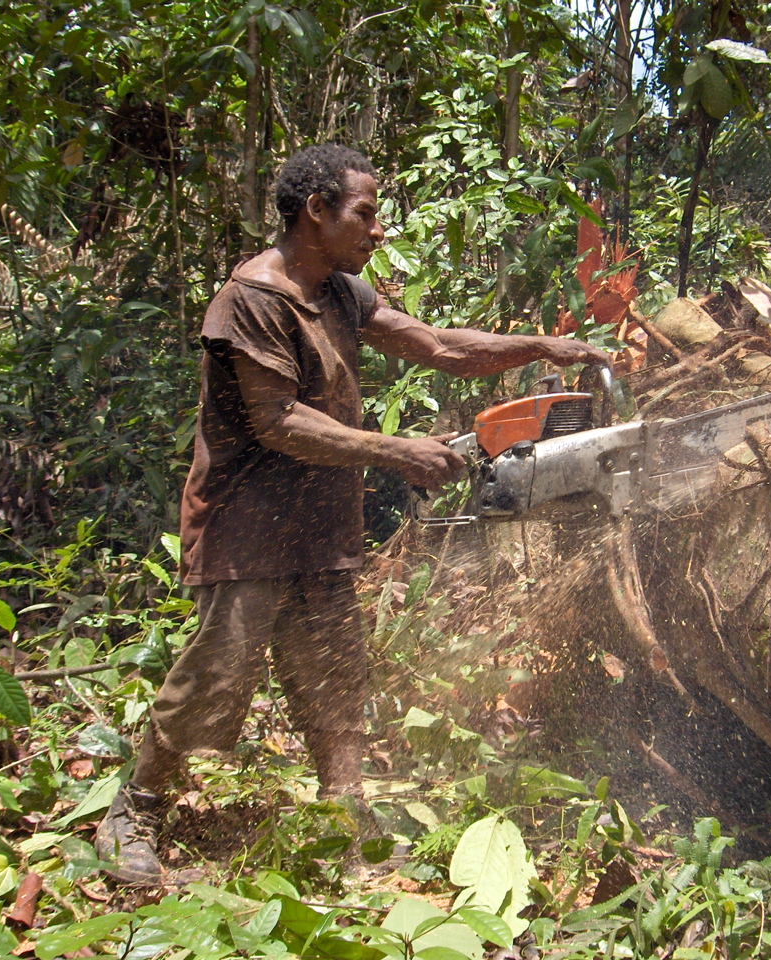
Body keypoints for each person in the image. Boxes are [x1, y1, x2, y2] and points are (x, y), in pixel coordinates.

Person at [94, 144, 608, 882]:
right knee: (220, 668)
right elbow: (279, 422)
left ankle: (346, 814)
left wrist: (540, 347)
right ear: (316, 211)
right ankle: (136, 809)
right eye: (365, 214)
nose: (377, 232)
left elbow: (434, 345)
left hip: (317, 517)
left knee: (336, 668)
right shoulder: (254, 299)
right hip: (247, 522)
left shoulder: (338, 289)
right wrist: (397, 451)